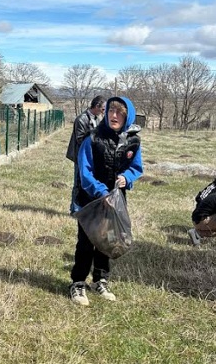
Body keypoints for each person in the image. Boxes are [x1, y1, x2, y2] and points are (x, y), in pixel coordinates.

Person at [69, 96, 143, 306]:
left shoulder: (133, 141)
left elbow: (136, 167)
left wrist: (127, 178)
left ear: (128, 117)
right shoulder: (92, 139)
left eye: (119, 112)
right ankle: (78, 283)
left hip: (116, 200)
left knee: (108, 240)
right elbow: (85, 172)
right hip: (91, 200)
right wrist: (102, 193)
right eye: (111, 110)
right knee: (86, 242)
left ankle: (100, 280)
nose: (114, 115)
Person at [65, 95, 106, 213]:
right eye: (103, 109)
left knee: (88, 182)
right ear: (97, 106)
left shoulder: (97, 119)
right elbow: (80, 139)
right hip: (80, 156)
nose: (103, 111)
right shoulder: (81, 119)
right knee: (78, 183)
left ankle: (85, 208)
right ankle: (75, 209)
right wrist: (94, 133)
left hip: (91, 157)